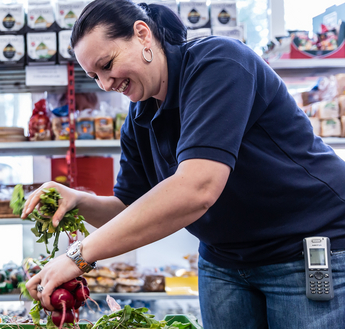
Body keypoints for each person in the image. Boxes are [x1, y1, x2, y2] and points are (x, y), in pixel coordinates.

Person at [22, 1, 345, 328]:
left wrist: (78, 256)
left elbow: (197, 188)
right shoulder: (139, 118)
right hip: (224, 261)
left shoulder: (219, 63)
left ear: (142, 34)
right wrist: (79, 201)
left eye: (107, 65)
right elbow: (132, 207)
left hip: (304, 249)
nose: (105, 84)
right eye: (95, 76)